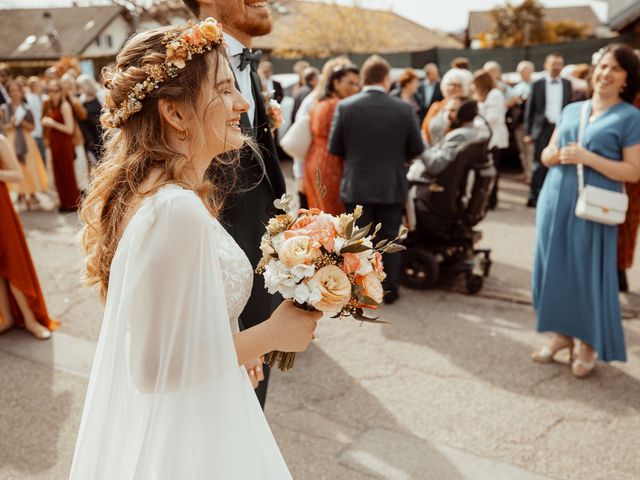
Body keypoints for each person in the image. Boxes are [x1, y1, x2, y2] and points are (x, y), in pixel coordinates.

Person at [69, 20, 321, 479]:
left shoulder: (154, 193)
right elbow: (151, 369)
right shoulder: (173, 209)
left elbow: (167, 328)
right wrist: (270, 335)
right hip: (186, 436)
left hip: (200, 405)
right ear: (176, 113)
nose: (242, 103)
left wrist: (234, 353)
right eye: (224, 90)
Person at [182, 0, 288, 408]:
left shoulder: (244, 63)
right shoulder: (184, 67)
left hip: (259, 275)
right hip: (218, 292)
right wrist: (229, 323)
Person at [531, 44, 640, 379]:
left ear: (626, 79)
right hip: (554, 198)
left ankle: (588, 344)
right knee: (555, 269)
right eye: (603, 66)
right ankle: (562, 337)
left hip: (595, 206)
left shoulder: (630, 117)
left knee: (588, 274)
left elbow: (633, 171)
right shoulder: (571, 109)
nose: (605, 74)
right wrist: (552, 156)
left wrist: (588, 158)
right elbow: (548, 152)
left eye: (615, 69)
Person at [329, 55, 424, 305]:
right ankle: (389, 289)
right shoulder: (404, 108)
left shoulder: (346, 106)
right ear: (386, 79)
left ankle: (357, 292)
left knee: (357, 240)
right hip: (390, 184)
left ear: (363, 79)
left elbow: (334, 147)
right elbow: (417, 148)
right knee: (389, 239)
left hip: (357, 182)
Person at [0, 134, 56, 339]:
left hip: (1, 209)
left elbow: (16, 174)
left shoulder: (0, 140)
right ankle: (6, 317)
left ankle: (30, 319)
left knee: (13, 262)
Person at [293, 57, 350, 210]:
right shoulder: (313, 101)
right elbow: (301, 139)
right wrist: (299, 176)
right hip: (323, 164)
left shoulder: (338, 101)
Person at [304, 64, 360, 215]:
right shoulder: (337, 105)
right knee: (334, 216)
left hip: (314, 158)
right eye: (350, 83)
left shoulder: (319, 102)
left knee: (320, 214)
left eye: (357, 84)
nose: (355, 88)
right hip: (332, 163)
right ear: (335, 82)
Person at [524, 53, 572, 207]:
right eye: (553, 64)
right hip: (542, 128)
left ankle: (553, 197)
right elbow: (529, 110)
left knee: (558, 162)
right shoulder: (537, 84)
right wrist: (528, 132)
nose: (556, 67)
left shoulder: (567, 84)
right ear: (546, 65)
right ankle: (534, 196)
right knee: (538, 164)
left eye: (559, 64)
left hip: (560, 128)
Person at [1, 81, 48, 210]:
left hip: (26, 139)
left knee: (29, 166)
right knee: (15, 165)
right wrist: (11, 123)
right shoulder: (5, 109)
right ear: (9, 93)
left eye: (17, 90)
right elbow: (3, 126)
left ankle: (32, 193)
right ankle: (20, 194)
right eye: (12, 90)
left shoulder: (26, 108)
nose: (15, 93)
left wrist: (22, 123)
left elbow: (33, 126)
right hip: (12, 139)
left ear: (20, 92)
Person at [416, 97, 482, 177]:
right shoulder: (473, 132)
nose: (448, 115)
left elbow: (435, 165)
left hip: (430, 182)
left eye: (452, 110)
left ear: (464, 112)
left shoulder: (459, 136)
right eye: (447, 110)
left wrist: (420, 144)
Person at [472, 69, 508, 209]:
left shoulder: (495, 94)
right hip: (485, 138)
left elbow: (492, 118)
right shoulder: (484, 95)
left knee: (492, 169)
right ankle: (486, 199)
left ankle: (491, 200)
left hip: (494, 139)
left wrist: (474, 123)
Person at [42, 79, 80, 212]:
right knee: (58, 173)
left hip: (64, 144)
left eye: (55, 91)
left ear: (60, 92)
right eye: (50, 91)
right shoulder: (51, 106)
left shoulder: (65, 106)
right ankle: (64, 202)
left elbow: (69, 129)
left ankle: (72, 203)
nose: (53, 94)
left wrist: (52, 123)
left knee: (67, 173)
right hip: (54, 144)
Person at [422, 68, 473, 146]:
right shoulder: (436, 106)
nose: (452, 88)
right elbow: (424, 129)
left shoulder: (468, 107)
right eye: (449, 84)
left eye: (456, 85)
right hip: (432, 151)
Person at [510, 61, 535, 184]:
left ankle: (530, 174)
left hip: (529, 123)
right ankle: (526, 172)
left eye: (523, 71)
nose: (520, 73)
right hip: (518, 122)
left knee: (530, 150)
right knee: (522, 150)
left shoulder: (535, 86)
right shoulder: (517, 87)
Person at [76, 74, 104, 165]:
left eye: (82, 86)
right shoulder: (82, 100)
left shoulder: (100, 95)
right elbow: (82, 121)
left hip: (103, 130)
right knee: (99, 159)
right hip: (92, 134)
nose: (81, 88)